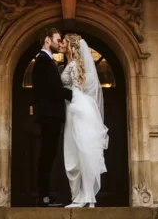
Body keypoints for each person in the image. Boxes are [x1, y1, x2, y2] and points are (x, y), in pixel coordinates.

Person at [60, 34, 109, 208]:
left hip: (76, 109)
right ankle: (86, 196)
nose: (61, 44)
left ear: (72, 47)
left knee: (77, 152)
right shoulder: (73, 64)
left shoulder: (73, 65)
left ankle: (83, 197)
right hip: (78, 108)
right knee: (81, 152)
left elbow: (76, 89)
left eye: (64, 42)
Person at [32, 27, 73, 207]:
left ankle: (45, 195)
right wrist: (74, 96)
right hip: (49, 115)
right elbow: (52, 88)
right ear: (47, 40)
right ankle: (44, 197)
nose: (59, 42)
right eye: (57, 39)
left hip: (51, 115)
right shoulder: (42, 61)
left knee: (49, 154)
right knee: (47, 155)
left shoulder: (47, 61)